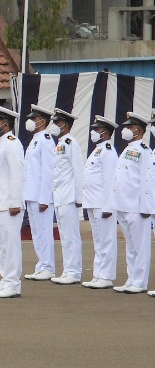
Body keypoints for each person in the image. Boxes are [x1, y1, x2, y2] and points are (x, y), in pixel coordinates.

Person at [107, 112, 151, 294]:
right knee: (130, 244)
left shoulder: (144, 150)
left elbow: (146, 180)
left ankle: (140, 281)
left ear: (137, 130)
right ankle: (131, 277)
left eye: (128, 128)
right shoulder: (127, 149)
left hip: (137, 205)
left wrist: (145, 206)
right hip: (123, 204)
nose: (124, 131)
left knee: (140, 245)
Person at [0, 106, 25, 298]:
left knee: (11, 244)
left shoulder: (12, 143)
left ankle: (13, 283)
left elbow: (18, 174)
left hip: (9, 204)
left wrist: (15, 201)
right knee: (2, 245)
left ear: (5, 124)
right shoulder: (1, 143)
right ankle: (5, 280)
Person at [81, 116, 118, 289]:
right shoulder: (97, 150)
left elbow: (111, 180)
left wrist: (108, 205)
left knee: (107, 240)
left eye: (97, 130)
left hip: (103, 204)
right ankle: (98, 274)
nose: (93, 133)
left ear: (106, 133)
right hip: (93, 201)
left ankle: (107, 276)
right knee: (98, 240)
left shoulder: (108, 151)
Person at [49, 108, 84, 285]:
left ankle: (74, 271)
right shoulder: (60, 144)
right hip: (60, 196)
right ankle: (67, 269)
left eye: (57, 123)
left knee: (71, 235)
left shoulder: (71, 143)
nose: (54, 125)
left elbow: (78, 171)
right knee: (64, 235)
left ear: (65, 125)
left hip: (69, 196)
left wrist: (79, 198)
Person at [22, 105, 57, 281]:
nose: (31, 122)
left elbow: (48, 170)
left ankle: (48, 267)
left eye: (34, 119)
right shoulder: (35, 139)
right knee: (36, 232)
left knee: (44, 231)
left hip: (41, 195)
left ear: (42, 121)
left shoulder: (46, 140)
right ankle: (41, 264)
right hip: (32, 193)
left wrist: (45, 197)